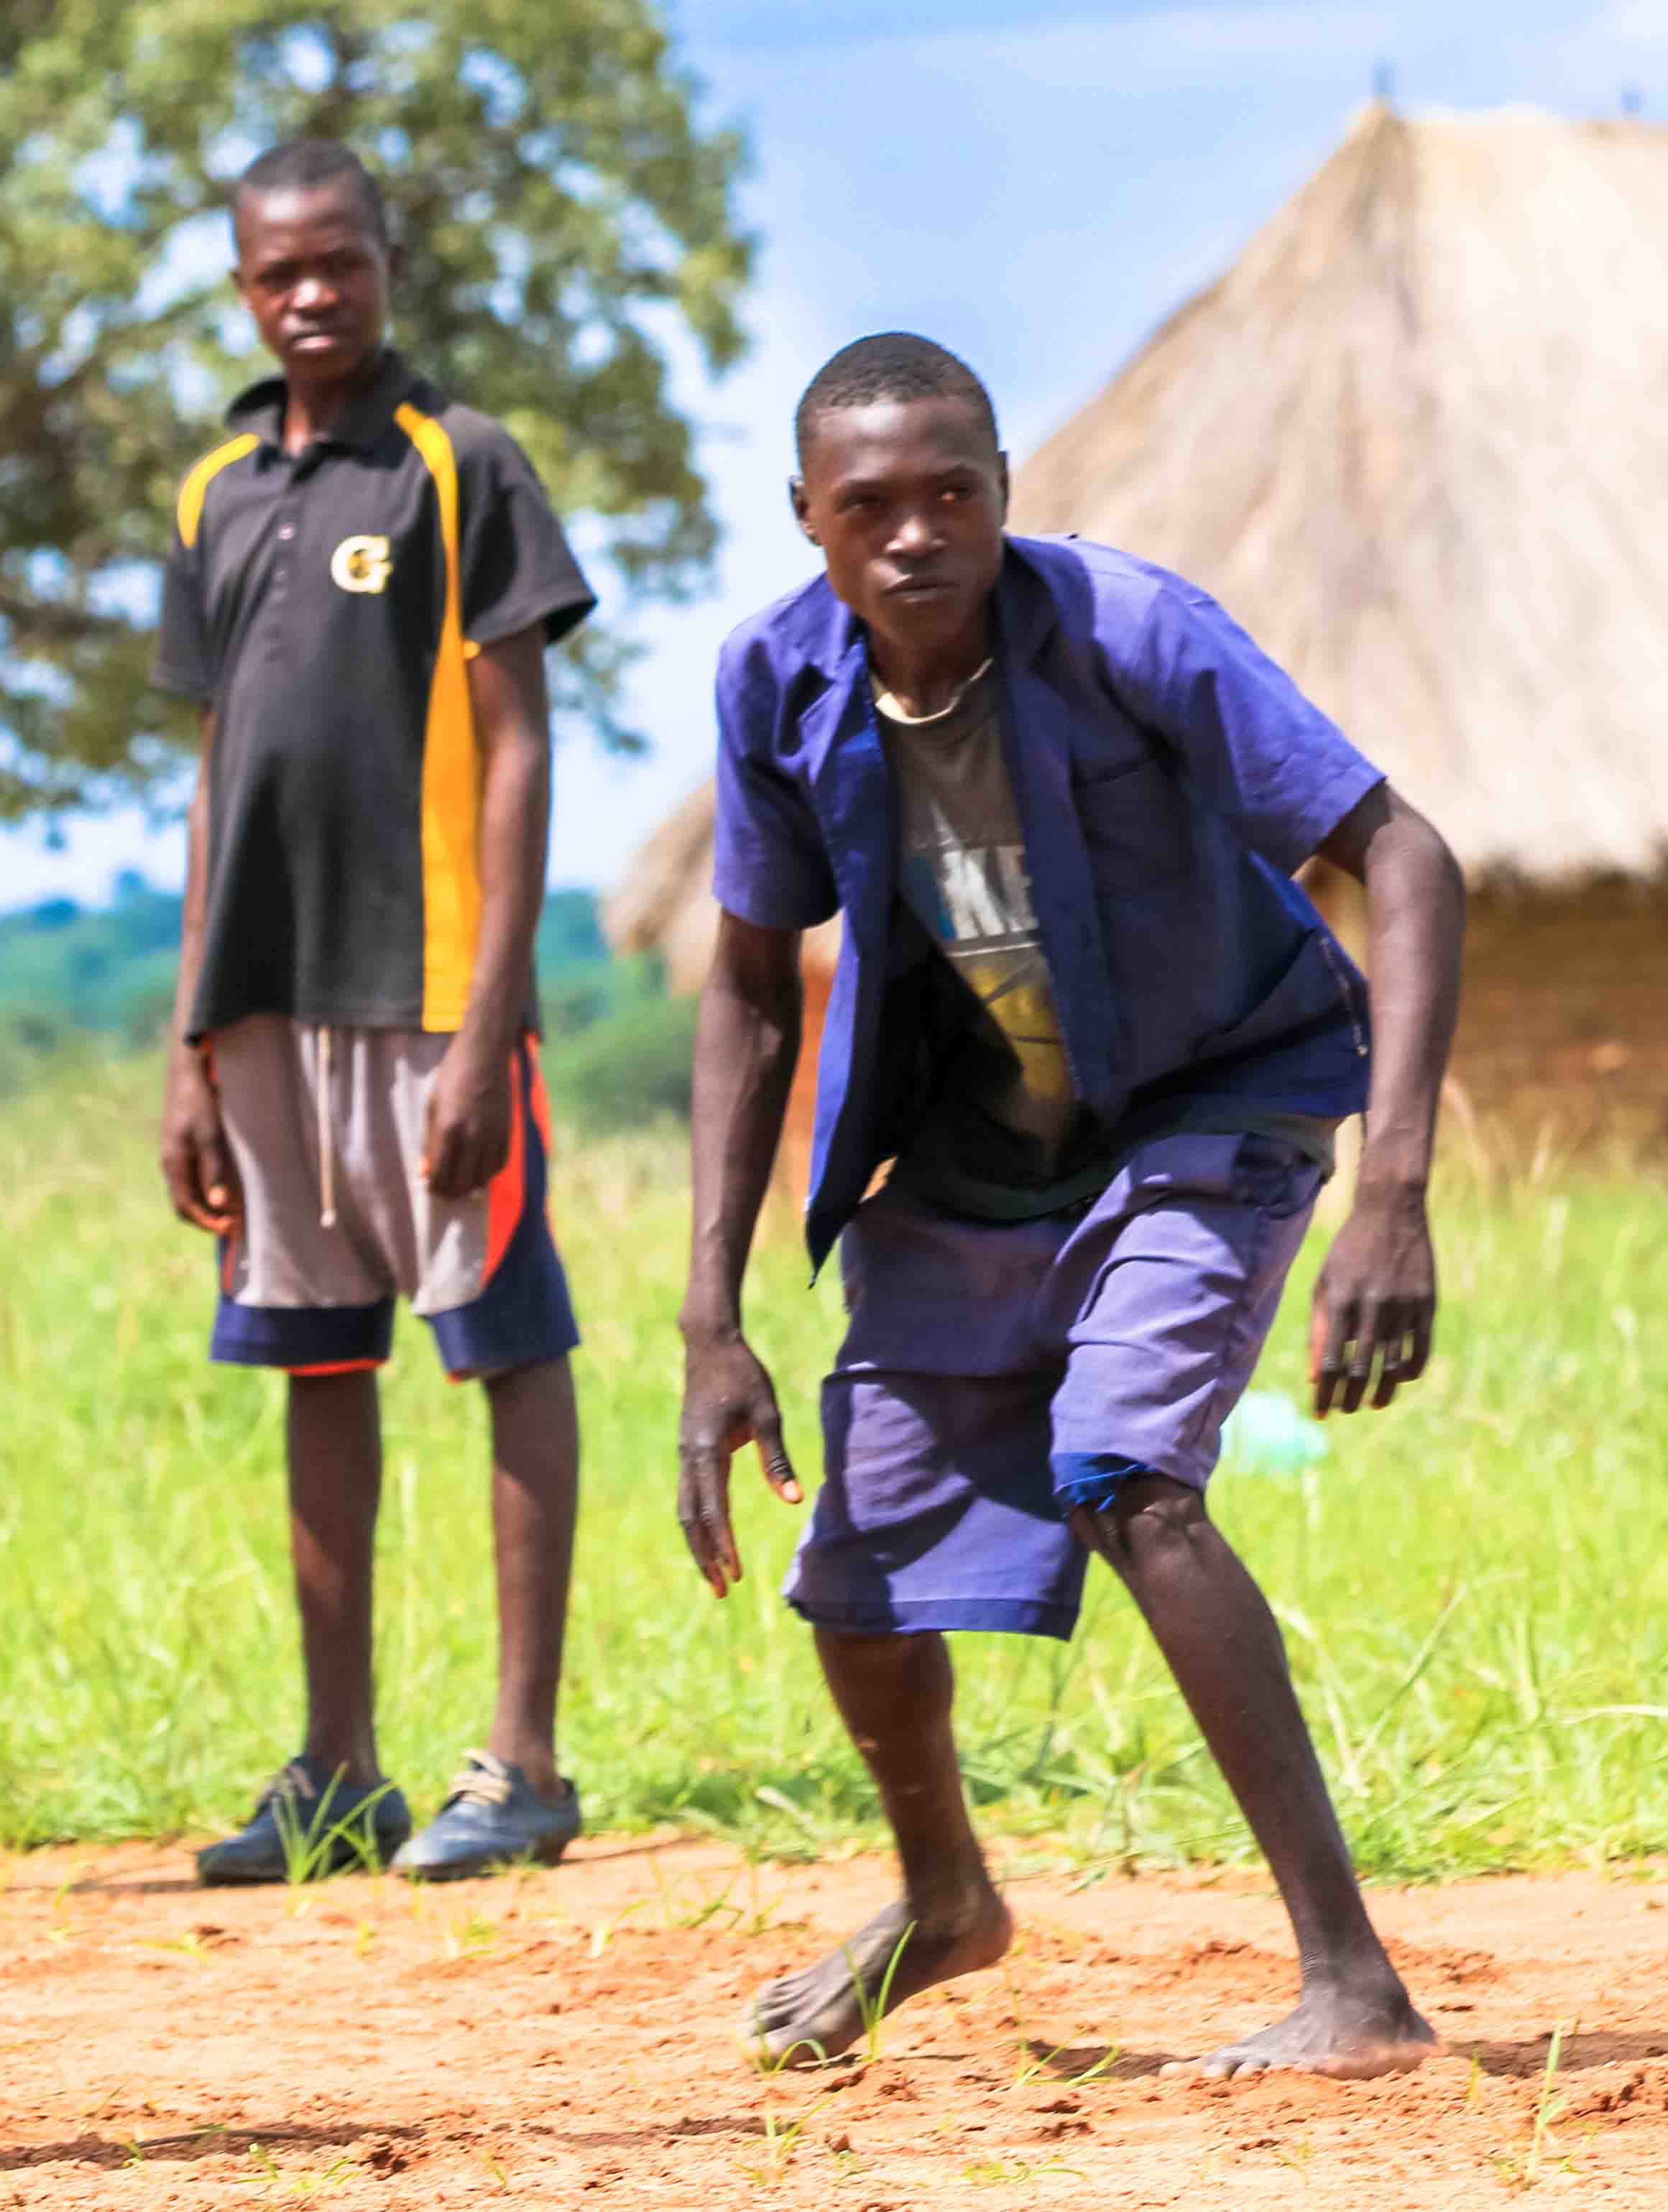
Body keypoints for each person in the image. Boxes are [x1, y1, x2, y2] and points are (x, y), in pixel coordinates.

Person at [673, 333, 1465, 2078]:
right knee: (861, 1566)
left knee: (1130, 1477)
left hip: (1213, 1095)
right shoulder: (776, 688)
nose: (912, 534)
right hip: (978, 1147)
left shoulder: (1129, 632)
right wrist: (710, 1317)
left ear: (1006, 492)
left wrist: (1392, 1191)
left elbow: (1401, 854)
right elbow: (746, 983)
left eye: (952, 491)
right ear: (804, 518)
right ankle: (946, 1898)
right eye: (866, 505)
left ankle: (1356, 1986)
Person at [153, 141, 599, 1886]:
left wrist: (491, 1024)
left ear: (388, 263)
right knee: (315, 1355)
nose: (312, 295)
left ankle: (528, 1764)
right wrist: (189, 1035)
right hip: (259, 1003)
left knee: (501, 1342)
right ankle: (340, 1769)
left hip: (429, 988)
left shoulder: (459, 463)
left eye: (339, 262)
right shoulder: (211, 494)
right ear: (244, 291)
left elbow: (522, 742)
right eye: (279, 273)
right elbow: (213, 772)